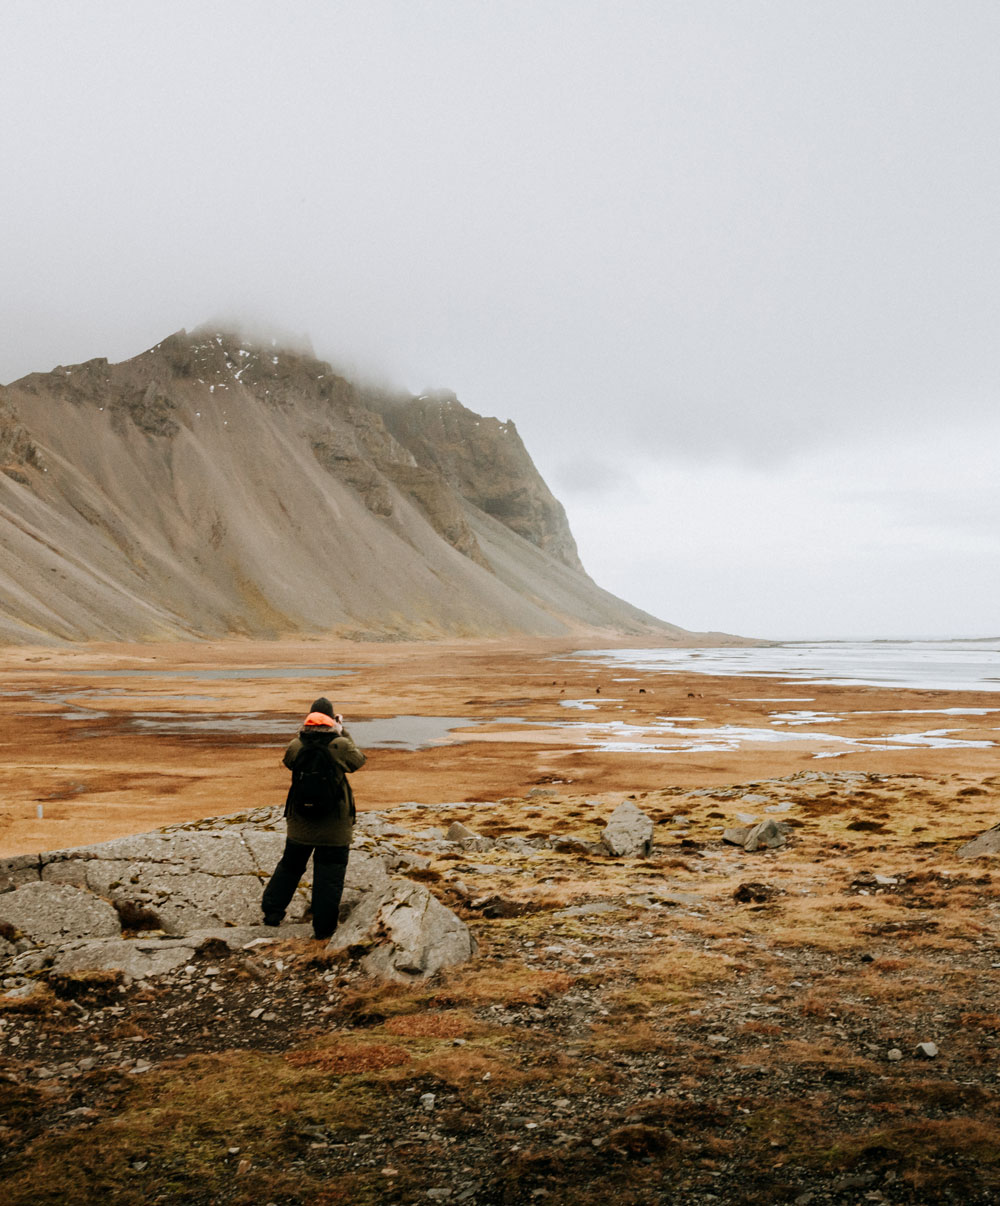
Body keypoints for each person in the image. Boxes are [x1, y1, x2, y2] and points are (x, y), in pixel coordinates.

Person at [262, 696, 365, 940]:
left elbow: (289, 762)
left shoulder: (296, 745)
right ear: (331, 720)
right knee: (329, 875)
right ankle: (324, 930)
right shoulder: (339, 745)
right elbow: (357, 762)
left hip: (300, 823)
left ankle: (272, 914)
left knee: (289, 867)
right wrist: (342, 732)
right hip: (335, 827)